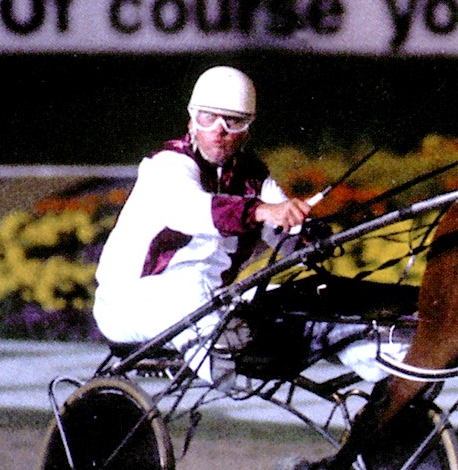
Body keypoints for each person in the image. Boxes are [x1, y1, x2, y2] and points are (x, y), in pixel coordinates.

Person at [92, 66, 312, 378]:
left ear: (247, 129)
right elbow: (195, 210)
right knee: (191, 288)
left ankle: (379, 368)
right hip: (129, 305)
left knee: (299, 297)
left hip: (209, 303)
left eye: (232, 121)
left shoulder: (254, 177)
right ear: (191, 121)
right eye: (208, 118)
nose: (219, 130)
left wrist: (306, 234)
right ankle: (223, 366)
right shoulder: (166, 165)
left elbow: (287, 235)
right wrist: (262, 211)